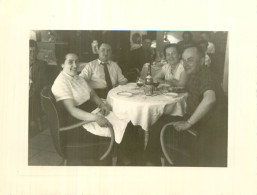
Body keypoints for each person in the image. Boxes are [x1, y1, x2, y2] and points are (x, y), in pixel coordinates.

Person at [144, 45, 227, 167]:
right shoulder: (195, 73)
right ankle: (152, 163)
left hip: (207, 127)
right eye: (184, 60)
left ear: (202, 60)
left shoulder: (206, 75)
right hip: (197, 119)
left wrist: (188, 122)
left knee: (160, 129)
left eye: (190, 60)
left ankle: (155, 163)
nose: (186, 64)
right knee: (157, 122)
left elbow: (210, 99)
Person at [29, 40, 49, 132]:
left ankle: (33, 120)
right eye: (29, 51)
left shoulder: (42, 64)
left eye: (34, 51)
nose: (32, 54)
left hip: (35, 92)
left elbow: (41, 83)